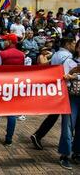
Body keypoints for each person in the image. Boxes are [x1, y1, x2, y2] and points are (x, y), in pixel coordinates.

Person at [30, 38, 76, 150]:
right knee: (68, 119)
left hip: (57, 87)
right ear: (67, 44)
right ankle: (39, 135)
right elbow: (68, 73)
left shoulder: (56, 55)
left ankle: (38, 135)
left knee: (55, 115)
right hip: (65, 89)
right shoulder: (68, 57)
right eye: (73, 43)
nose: (74, 45)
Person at [0, 34, 24, 146]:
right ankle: (9, 139)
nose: (3, 42)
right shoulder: (22, 55)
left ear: (9, 41)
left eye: (5, 40)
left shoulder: (1, 54)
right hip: (14, 86)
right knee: (12, 113)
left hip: (1, 86)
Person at [58, 39, 80, 170]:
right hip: (71, 98)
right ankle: (65, 155)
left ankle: (77, 152)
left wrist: (75, 77)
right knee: (68, 126)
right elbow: (63, 79)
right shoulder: (69, 62)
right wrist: (70, 75)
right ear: (77, 48)